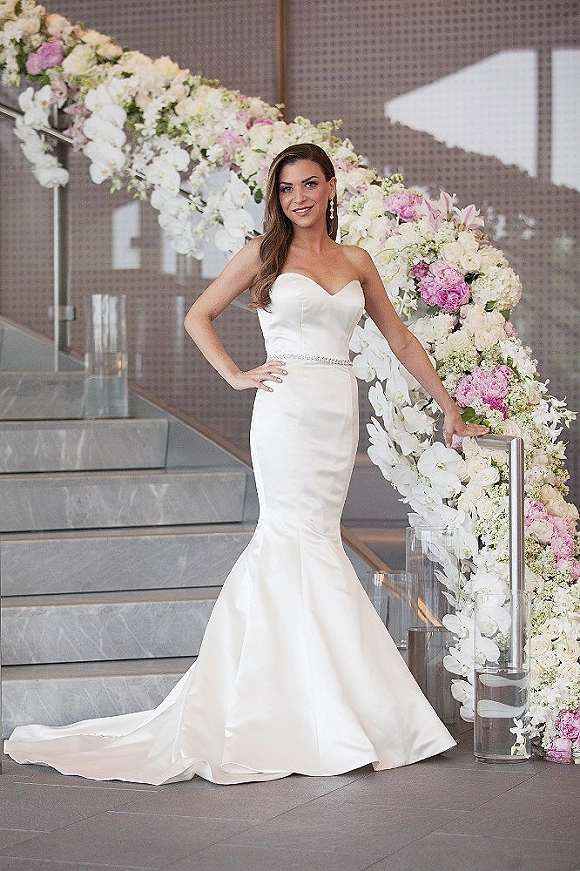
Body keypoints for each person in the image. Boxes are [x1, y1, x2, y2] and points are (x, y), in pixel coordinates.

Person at [4, 143, 487, 785]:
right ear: (277, 198)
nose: (298, 198)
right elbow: (198, 315)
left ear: (331, 186)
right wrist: (236, 374)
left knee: (318, 538)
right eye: (286, 189)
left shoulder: (356, 260)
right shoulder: (265, 253)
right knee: (290, 537)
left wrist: (449, 405)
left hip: (336, 409)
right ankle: (289, 712)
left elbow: (398, 338)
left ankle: (322, 706)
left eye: (308, 184)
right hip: (285, 409)